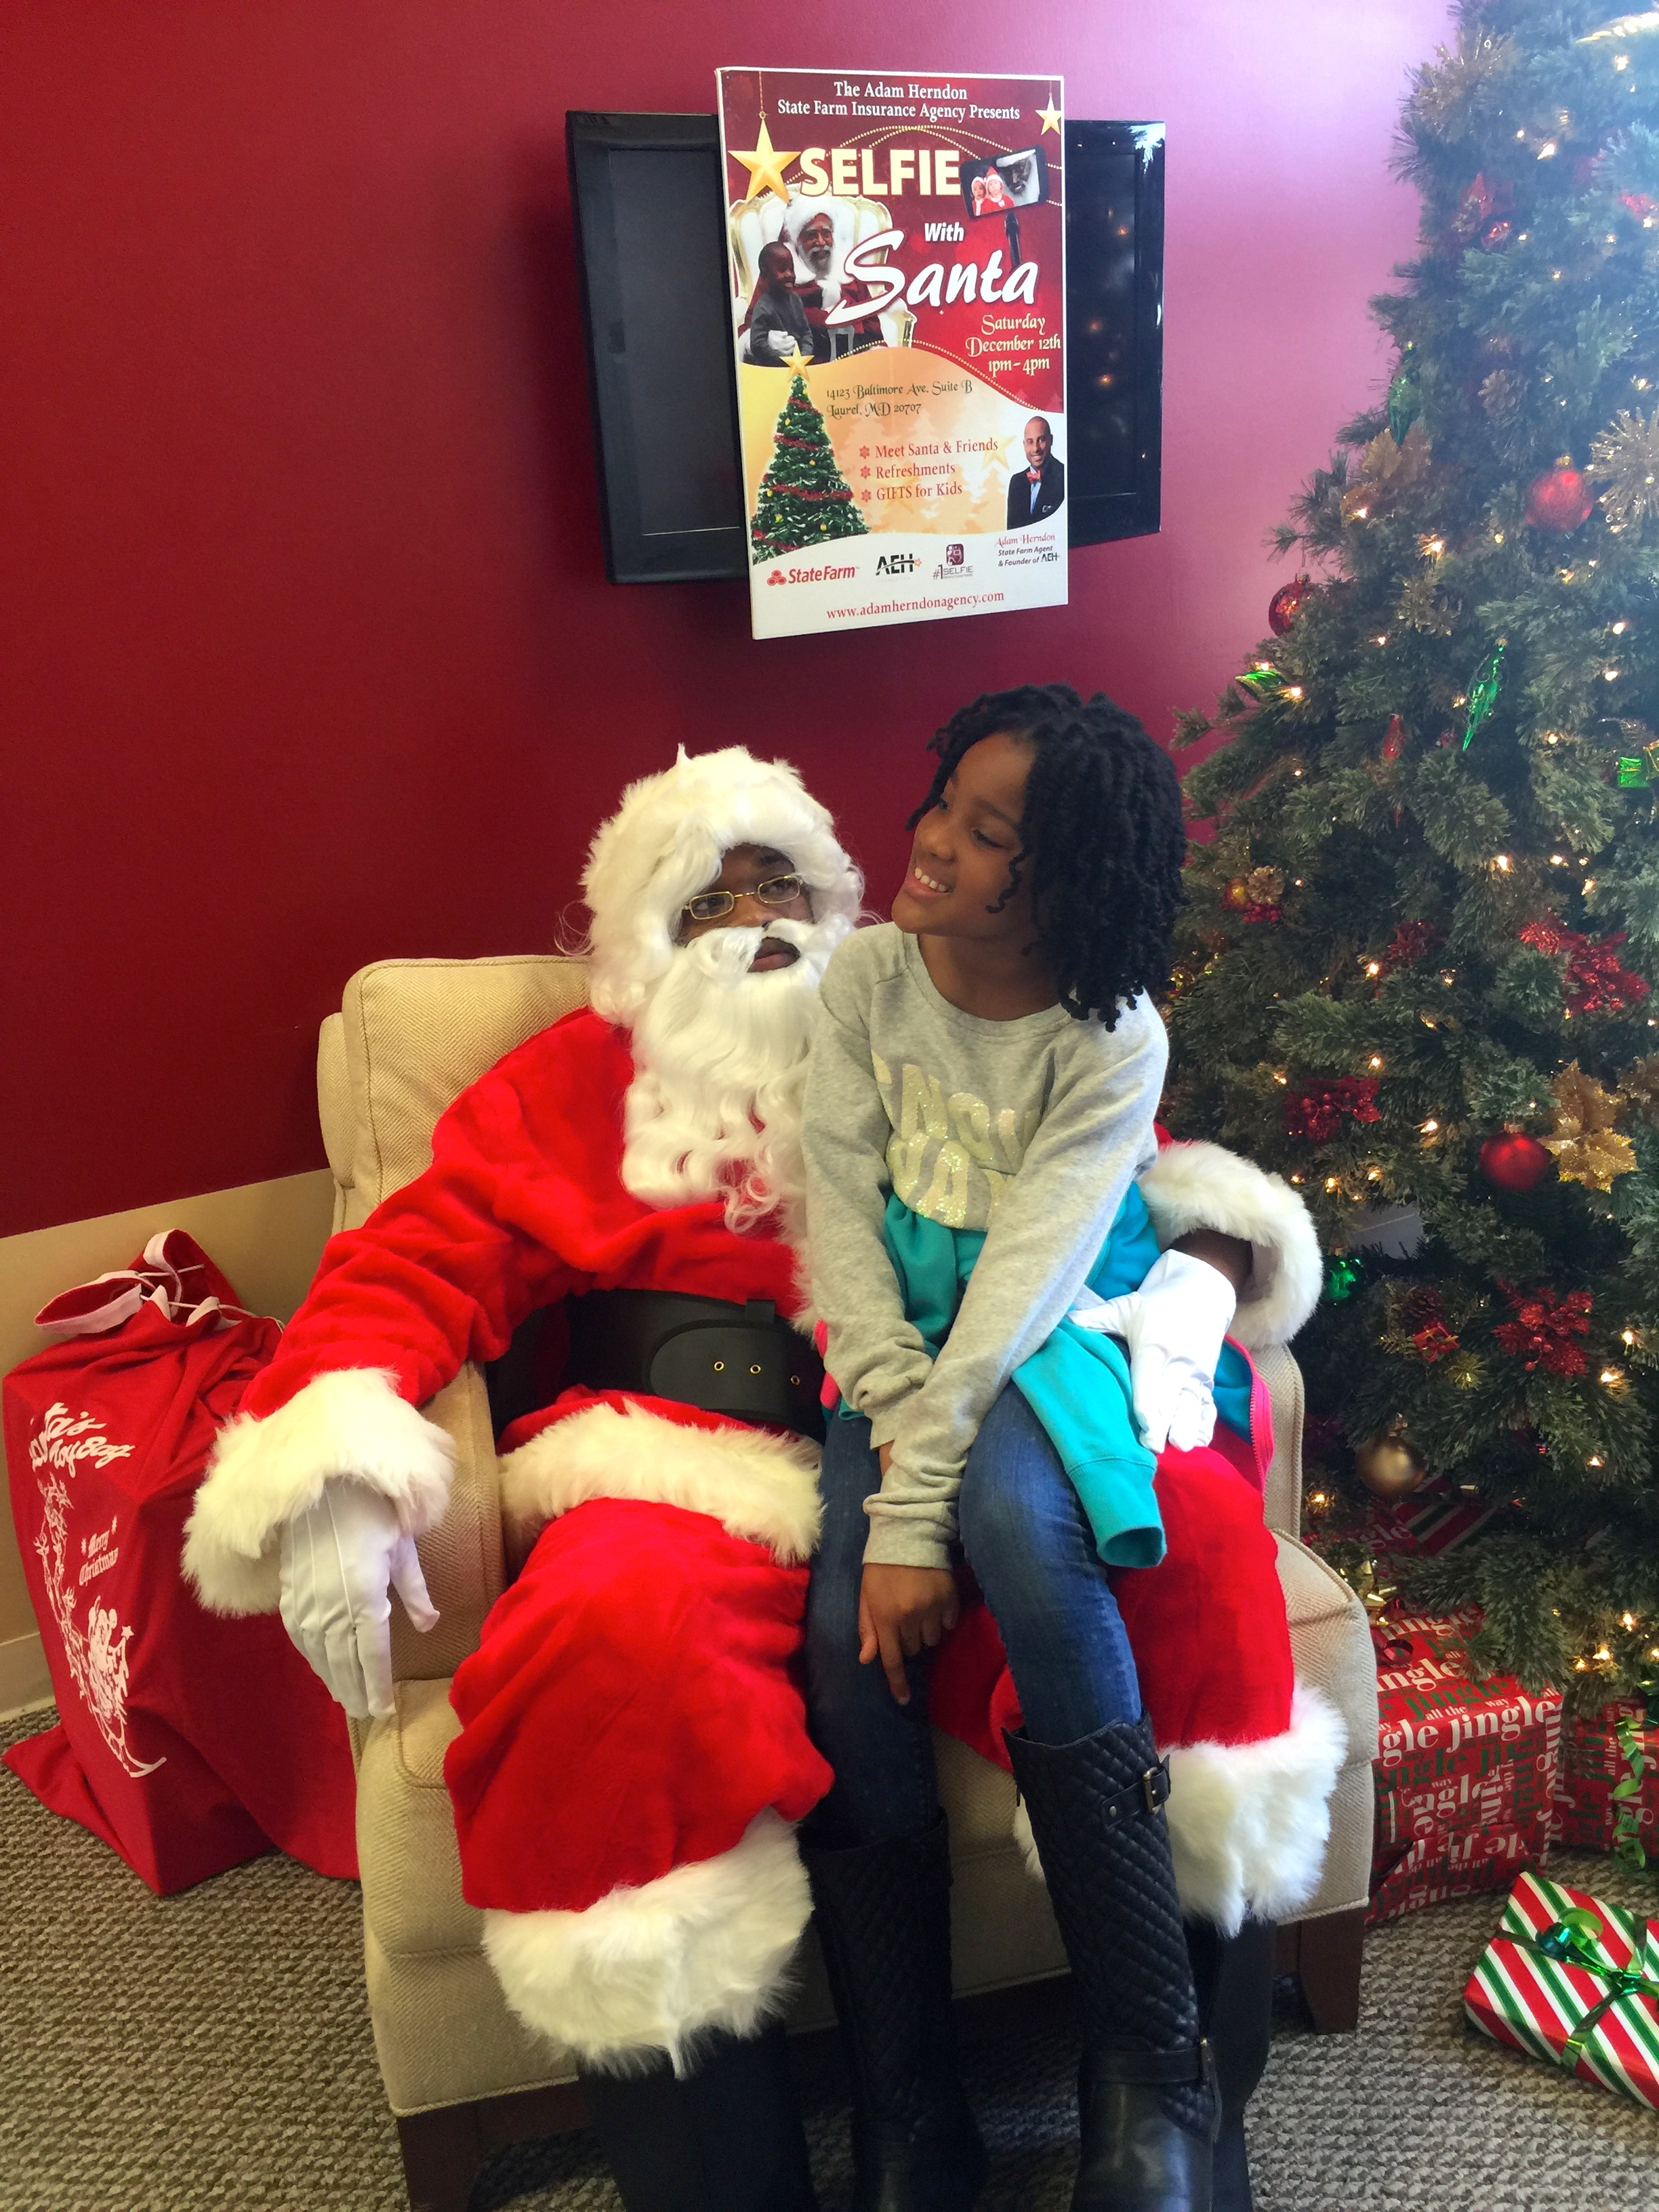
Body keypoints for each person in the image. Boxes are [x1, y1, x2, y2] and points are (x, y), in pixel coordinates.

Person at [182, 742, 1322, 2212]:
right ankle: (741, 2172)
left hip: (952, 1415)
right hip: (680, 1459)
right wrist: (337, 1441)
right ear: (636, 946)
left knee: (1194, 1549)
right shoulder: (570, 1083)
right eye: (705, 902)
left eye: (779, 884)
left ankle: (1173, 2112)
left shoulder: (939, 1005)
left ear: (834, 899)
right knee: (606, 1648)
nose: (753, 921)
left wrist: (1211, 1260)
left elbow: (1120, 1161)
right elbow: (414, 1256)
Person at [800, 686, 1340, 2212]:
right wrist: (889, 1460)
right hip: (891, 1349)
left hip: (1052, 1333)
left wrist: (921, 1513)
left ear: (1069, 884)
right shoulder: (865, 982)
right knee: (841, 1638)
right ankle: (912, 2107)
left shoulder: (1113, 1038)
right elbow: (838, 1223)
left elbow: (1025, 1286)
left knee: (1029, 1540)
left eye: (989, 836)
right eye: (942, 803)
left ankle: (1152, 2065)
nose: (931, 843)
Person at [781, 199, 884, 360]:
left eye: (826, 233)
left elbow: (872, 325)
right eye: (811, 235)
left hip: (853, 362)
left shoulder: (848, 273)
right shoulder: (781, 274)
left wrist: (876, 350)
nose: (821, 242)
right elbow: (760, 321)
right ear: (798, 240)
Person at [743, 240, 814, 367]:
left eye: (792, 269)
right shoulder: (763, 307)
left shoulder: (796, 299)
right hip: (774, 369)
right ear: (765, 274)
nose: (789, 274)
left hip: (799, 365)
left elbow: (806, 332)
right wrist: (787, 361)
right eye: (782, 270)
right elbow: (757, 344)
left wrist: (804, 356)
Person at [1007, 415, 1065, 530]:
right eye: (1030, 442)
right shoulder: (1016, 482)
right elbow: (1012, 531)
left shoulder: (1065, 476)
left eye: (1041, 440)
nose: (1035, 449)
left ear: (1051, 440)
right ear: (1024, 445)